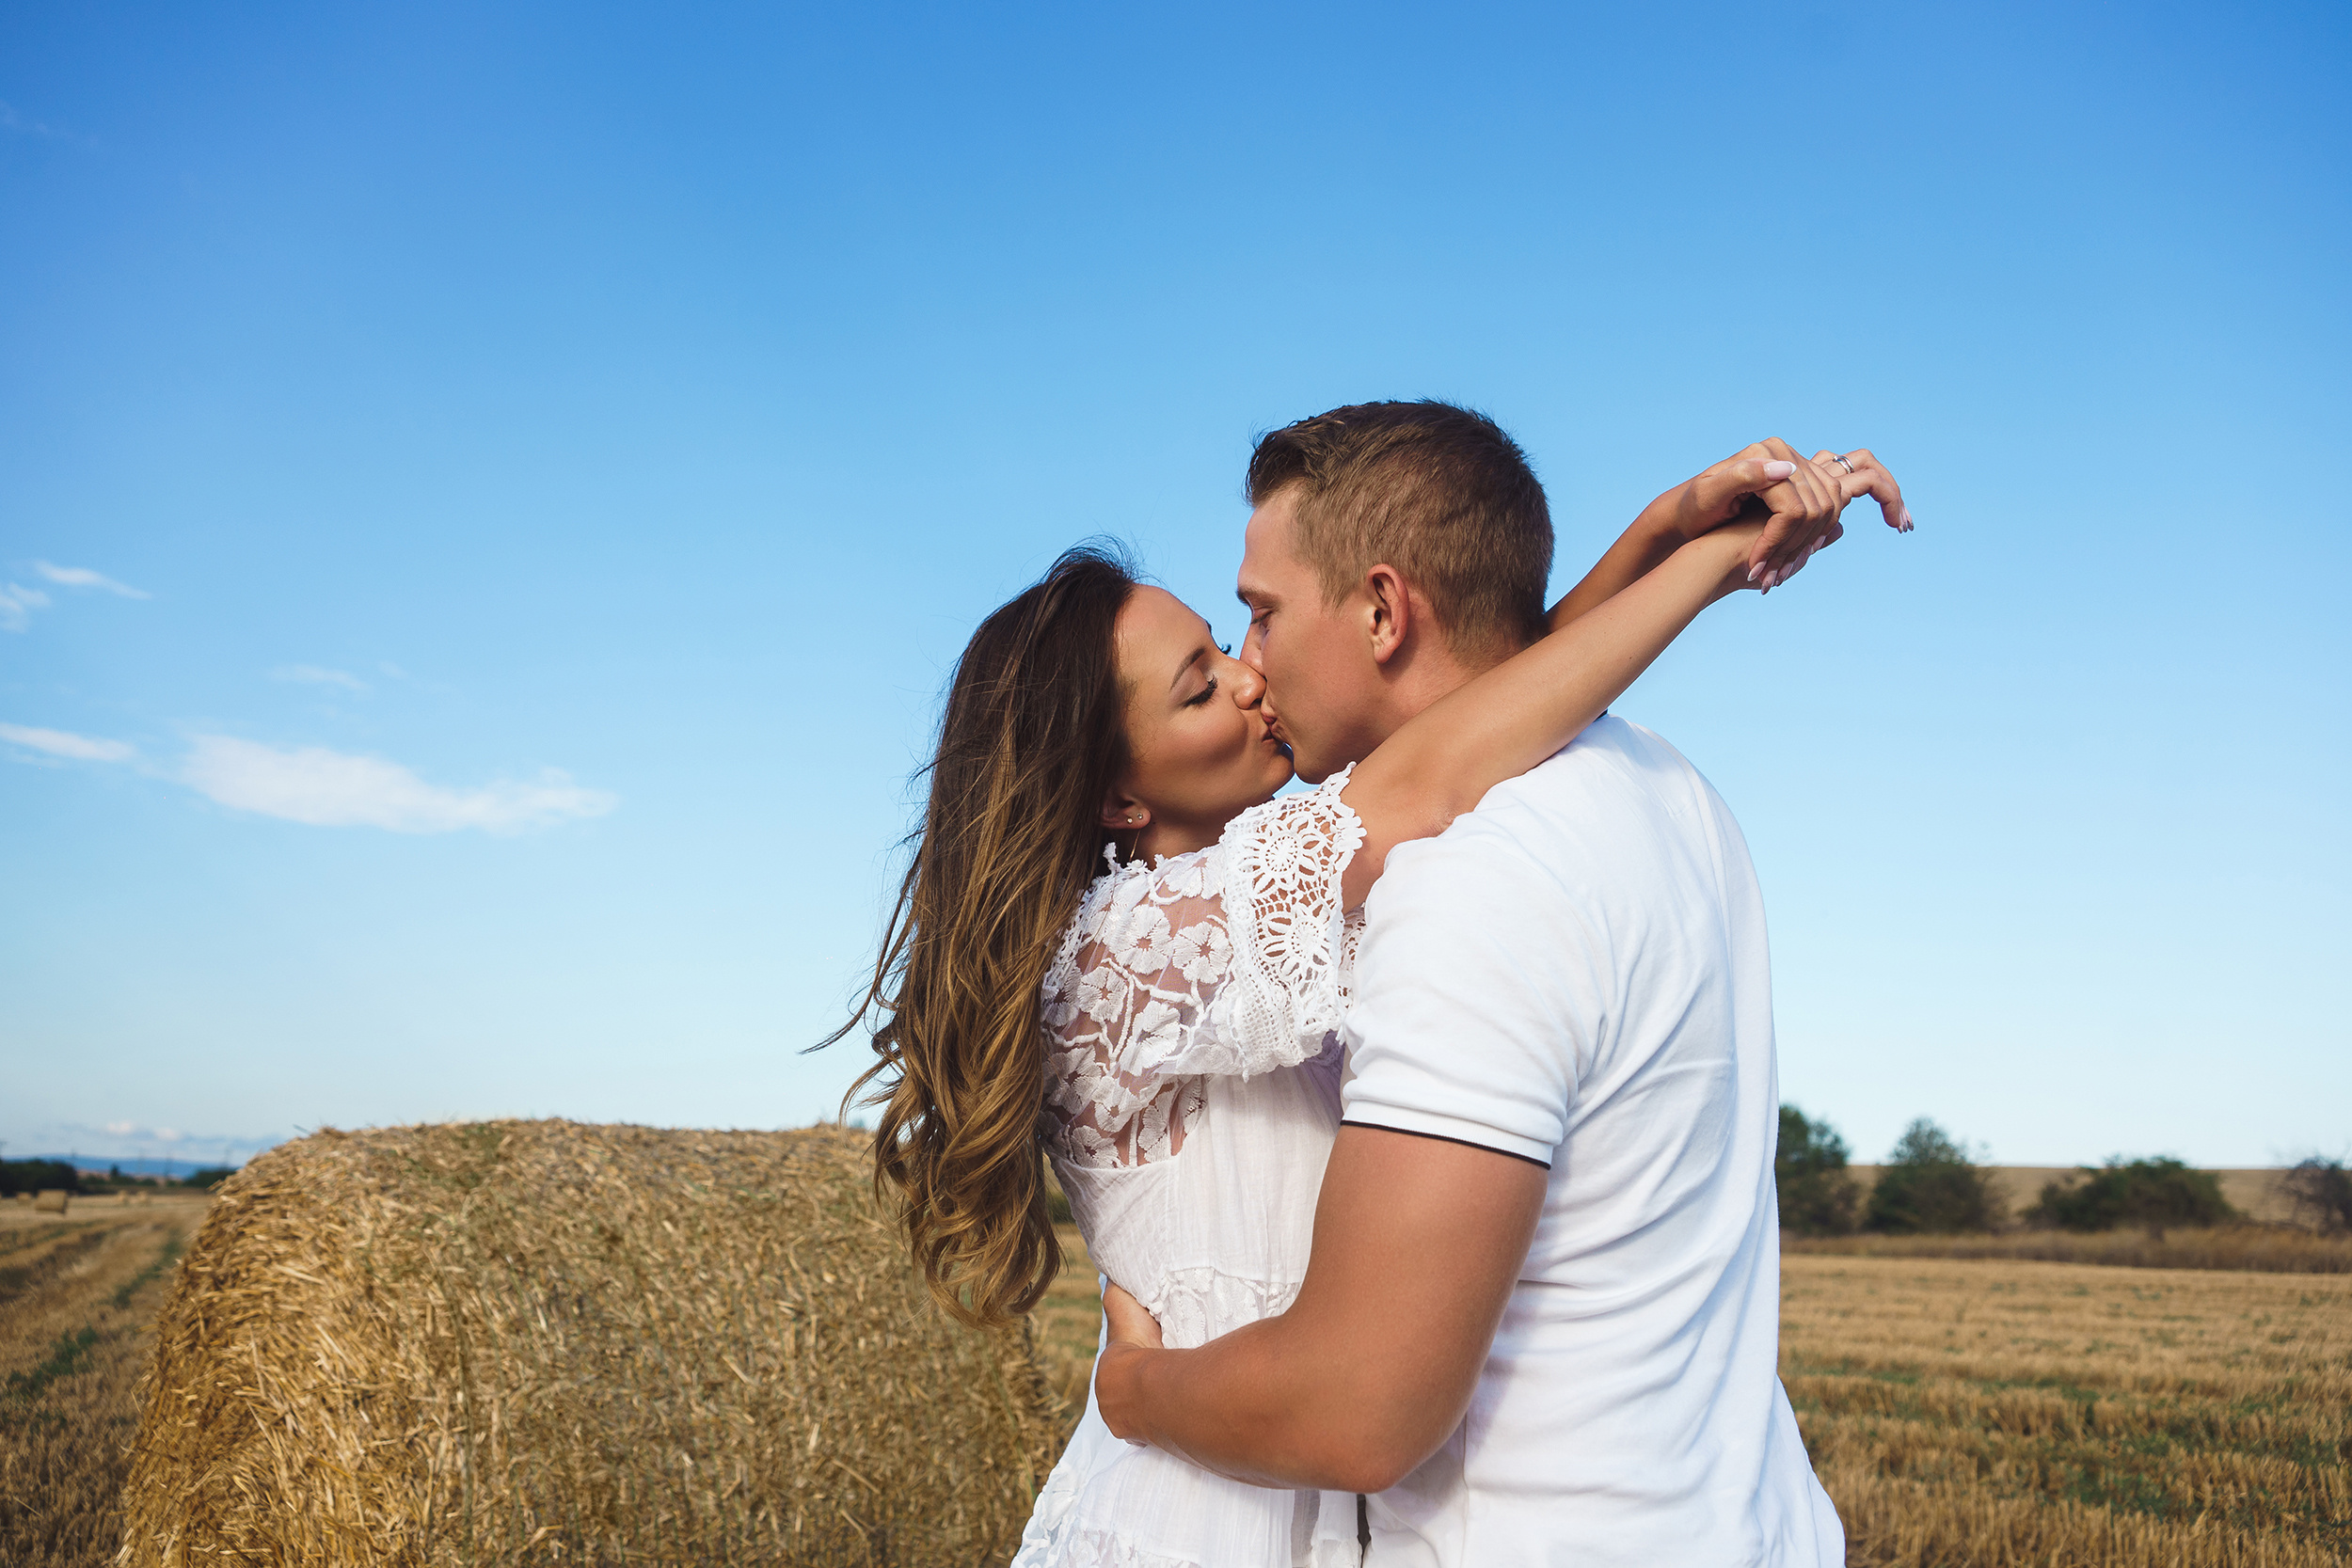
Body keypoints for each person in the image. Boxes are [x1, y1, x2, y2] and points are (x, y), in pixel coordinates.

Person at [834, 404, 1906, 1568]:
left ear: (1383, 606)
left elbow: (1464, 712)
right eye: (1201, 683)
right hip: (1195, 1510)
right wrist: (1699, 566)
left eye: (1242, 626)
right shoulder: (1120, 953)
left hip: (1287, 1480)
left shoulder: (1304, 888)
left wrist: (1657, 533)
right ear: (1118, 798)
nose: (1250, 677)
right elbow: (1436, 761)